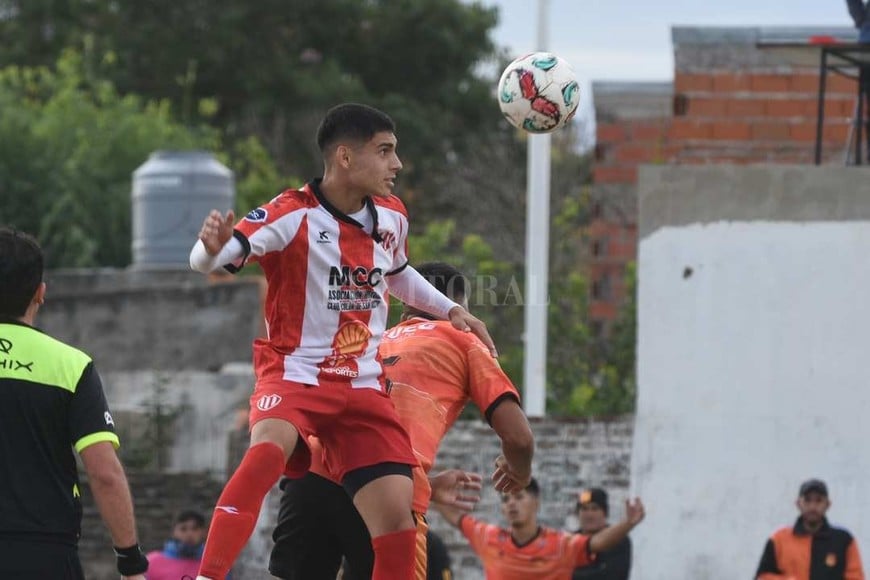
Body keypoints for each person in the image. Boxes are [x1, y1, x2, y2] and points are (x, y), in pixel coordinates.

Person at [188, 103, 497, 580]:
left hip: (362, 384)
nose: (397, 164)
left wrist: (453, 310)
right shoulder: (291, 214)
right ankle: (206, 576)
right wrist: (209, 249)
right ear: (345, 157)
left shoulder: (391, 217)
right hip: (296, 372)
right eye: (386, 151)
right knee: (268, 451)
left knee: (396, 514)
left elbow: (398, 274)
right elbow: (215, 259)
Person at [268, 261, 535, 580]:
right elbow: (519, 438)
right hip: (385, 485)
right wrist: (520, 470)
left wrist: (428, 486)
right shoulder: (463, 339)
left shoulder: (367, 340)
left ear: (407, 305)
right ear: (460, 306)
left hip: (311, 475)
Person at [0, 227, 149, 580]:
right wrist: (130, 562)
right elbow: (104, 473)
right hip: (43, 555)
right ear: (40, 293)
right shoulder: (70, 366)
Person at [435, 478, 645, 580]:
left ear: (536, 502)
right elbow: (456, 517)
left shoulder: (561, 545)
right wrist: (432, 488)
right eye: (506, 499)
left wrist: (628, 523)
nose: (512, 504)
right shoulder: (488, 538)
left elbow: (596, 544)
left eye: (519, 497)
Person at [755, 478, 864, 580]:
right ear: (798, 504)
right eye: (807, 500)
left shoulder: (843, 541)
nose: (812, 507)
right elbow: (762, 577)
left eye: (818, 501)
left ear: (828, 505)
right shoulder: (779, 540)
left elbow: (856, 577)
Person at [146, 509, 229, 579]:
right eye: (183, 529)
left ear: (204, 532)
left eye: (195, 528)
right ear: (174, 532)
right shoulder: (152, 563)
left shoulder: (215, 566)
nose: (189, 534)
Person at [572, 488, 631, 580]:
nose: (589, 514)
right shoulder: (569, 542)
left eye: (595, 509)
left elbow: (611, 575)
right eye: (584, 509)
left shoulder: (617, 539)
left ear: (605, 513)